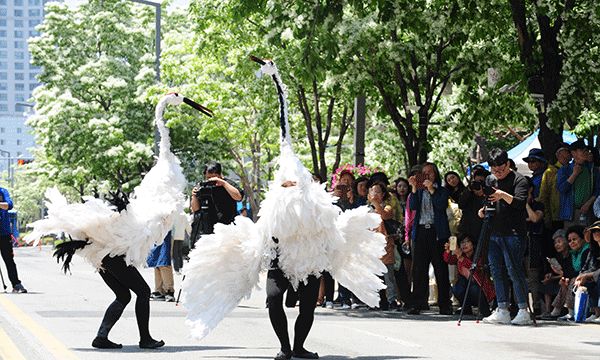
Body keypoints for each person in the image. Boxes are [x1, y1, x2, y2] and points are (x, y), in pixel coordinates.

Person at [479, 148, 533, 325]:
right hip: (493, 232)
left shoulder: (520, 180)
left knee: (514, 270)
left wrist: (503, 195)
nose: (498, 173)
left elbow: (520, 204)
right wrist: (484, 210)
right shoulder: (491, 180)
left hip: (514, 234)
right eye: (494, 170)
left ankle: (524, 309)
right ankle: (502, 308)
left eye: (501, 169)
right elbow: (489, 201)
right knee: (496, 270)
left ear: (508, 163)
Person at [267, 180, 320, 360]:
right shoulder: (275, 203)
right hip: (279, 259)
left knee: (308, 306)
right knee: (273, 297)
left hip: (308, 259)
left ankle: (299, 347)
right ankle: (285, 347)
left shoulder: (314, 202)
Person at [405, 162, 452, 315]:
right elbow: (412, 206)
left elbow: (441, 205)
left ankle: (445, 304)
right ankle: (417, 303)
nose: (427, 175)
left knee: (441, 269)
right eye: (423, 172)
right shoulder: (417, 192)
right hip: (421, 232)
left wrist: (431, 189)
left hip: (437, 233)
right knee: (419, 270)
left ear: (435, 174)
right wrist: (414, 188)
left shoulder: (442, 190)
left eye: (430, 172)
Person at [541, 226, 590, 321]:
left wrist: (562, 274)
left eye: (574, 239)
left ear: (582, 239)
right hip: (579, 277)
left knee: (572, 280)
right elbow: (571, 272)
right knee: (566, 281)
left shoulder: (586, 250)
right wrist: (564, 276)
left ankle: (571, 312)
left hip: (588, 276)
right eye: (570, 240)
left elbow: (582, 271)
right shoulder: (574, 253)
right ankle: (556, 311)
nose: (572, 242)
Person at [190, 161, 243, 246]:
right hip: (208, 231)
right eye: (208, 178)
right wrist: (194, 196)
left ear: (220, 174)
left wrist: (223, 183)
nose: (211, 180)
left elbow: (239, 197)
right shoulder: (204, 187)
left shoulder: (228, 184)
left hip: (227, 229)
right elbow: (195, 208)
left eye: (214, 177)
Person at [443, 234, 494, 316]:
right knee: (457, 287)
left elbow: (475, 268)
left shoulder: (479, 256)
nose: (464, 245)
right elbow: (449, 260)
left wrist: (461, 258)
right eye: (462, 243)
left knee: (474, 288)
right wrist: (448, 251)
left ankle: (484, 309)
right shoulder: (460, 255)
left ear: (473, 245)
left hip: (481, 288)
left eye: (467, 242)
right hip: (467, 287)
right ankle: (466, 308)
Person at [556, 139, 600, 229]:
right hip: (571, 213)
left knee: (588, 240)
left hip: (588, 211)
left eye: (586, 150)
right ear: (573, 153)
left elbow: (598, 189)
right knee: (572, 239)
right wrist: (574, 174)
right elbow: (562, 189)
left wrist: (589, 203)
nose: (585, 152)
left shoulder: (593, 170)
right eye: (582, 150)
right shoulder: (565, 169)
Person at [367, 182, 397, 310]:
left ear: (383, 194)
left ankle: (392, 300)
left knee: (388, 276)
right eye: (373, 191)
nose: (375, 193)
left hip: (385, 247)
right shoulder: (368, 209)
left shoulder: (387, 207)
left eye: (378, 191)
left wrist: (375, 203)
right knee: (373, 276)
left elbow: (385, 216)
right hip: (371, 246)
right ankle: (375, 301)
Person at [539, 229, 575, 318]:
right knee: (546, 284)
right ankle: (548, 311)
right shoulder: (558, 257)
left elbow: (567, 274)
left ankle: (564, 311)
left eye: (559, 242)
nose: (556, 245)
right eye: (555, 243)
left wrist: (557, 274)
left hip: (569, 278)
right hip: (561, 278)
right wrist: (550, 275)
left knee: (565, 283)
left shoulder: (571, 255)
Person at [538, 144, 571, 235]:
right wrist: (547, 217)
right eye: (568, 151)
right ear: (560, 153)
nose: (571, 154)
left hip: (571, 215)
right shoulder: (550, 172)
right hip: (555, 218)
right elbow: (543, 196)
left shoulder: (573, 169)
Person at [0, 186, 26, 293]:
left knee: (9, 260)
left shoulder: (3, 191)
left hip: (4, 233)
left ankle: (16, 284)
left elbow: (9, 205)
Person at [524, 176, 545, 314]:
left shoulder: (538, 205)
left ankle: (536, 307)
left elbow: (535, 218)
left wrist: (525, 203)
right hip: (519, 241)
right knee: (518, 274)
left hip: (533, 241)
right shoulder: (513, 205)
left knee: (533, 275)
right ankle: (521, 307)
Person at [457, 167, 489, 240]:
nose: (477, 184)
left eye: (480, 182)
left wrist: (482, 195)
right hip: (466, 229)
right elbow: (461, 205)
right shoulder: (469, 191)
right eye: (476, 181)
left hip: (481, 231)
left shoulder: (489, 193)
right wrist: (468, 190)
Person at [148, 232, 175, 302]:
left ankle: (169, 290)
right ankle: (159, 290)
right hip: (155, 234)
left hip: (166, 233)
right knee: (156, 264)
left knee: (164, 263)